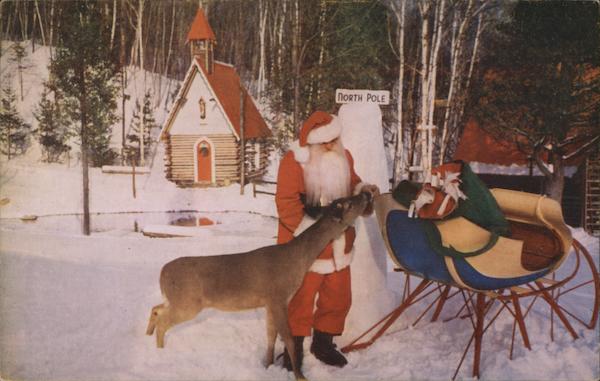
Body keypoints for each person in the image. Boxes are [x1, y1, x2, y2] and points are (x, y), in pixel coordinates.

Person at [275, 110, 379, 369]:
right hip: (303, 245)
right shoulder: (294, 161)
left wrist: (364, 192)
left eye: (336, 139)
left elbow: (353, 184)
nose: (333, 145)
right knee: (300, 297)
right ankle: (292, 347)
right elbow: (286, 203)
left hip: (339, 240)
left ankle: (323, 343)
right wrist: (308, 234)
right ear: (313, 142)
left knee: (338, 296)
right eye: (326, 141)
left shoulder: (345, 157)